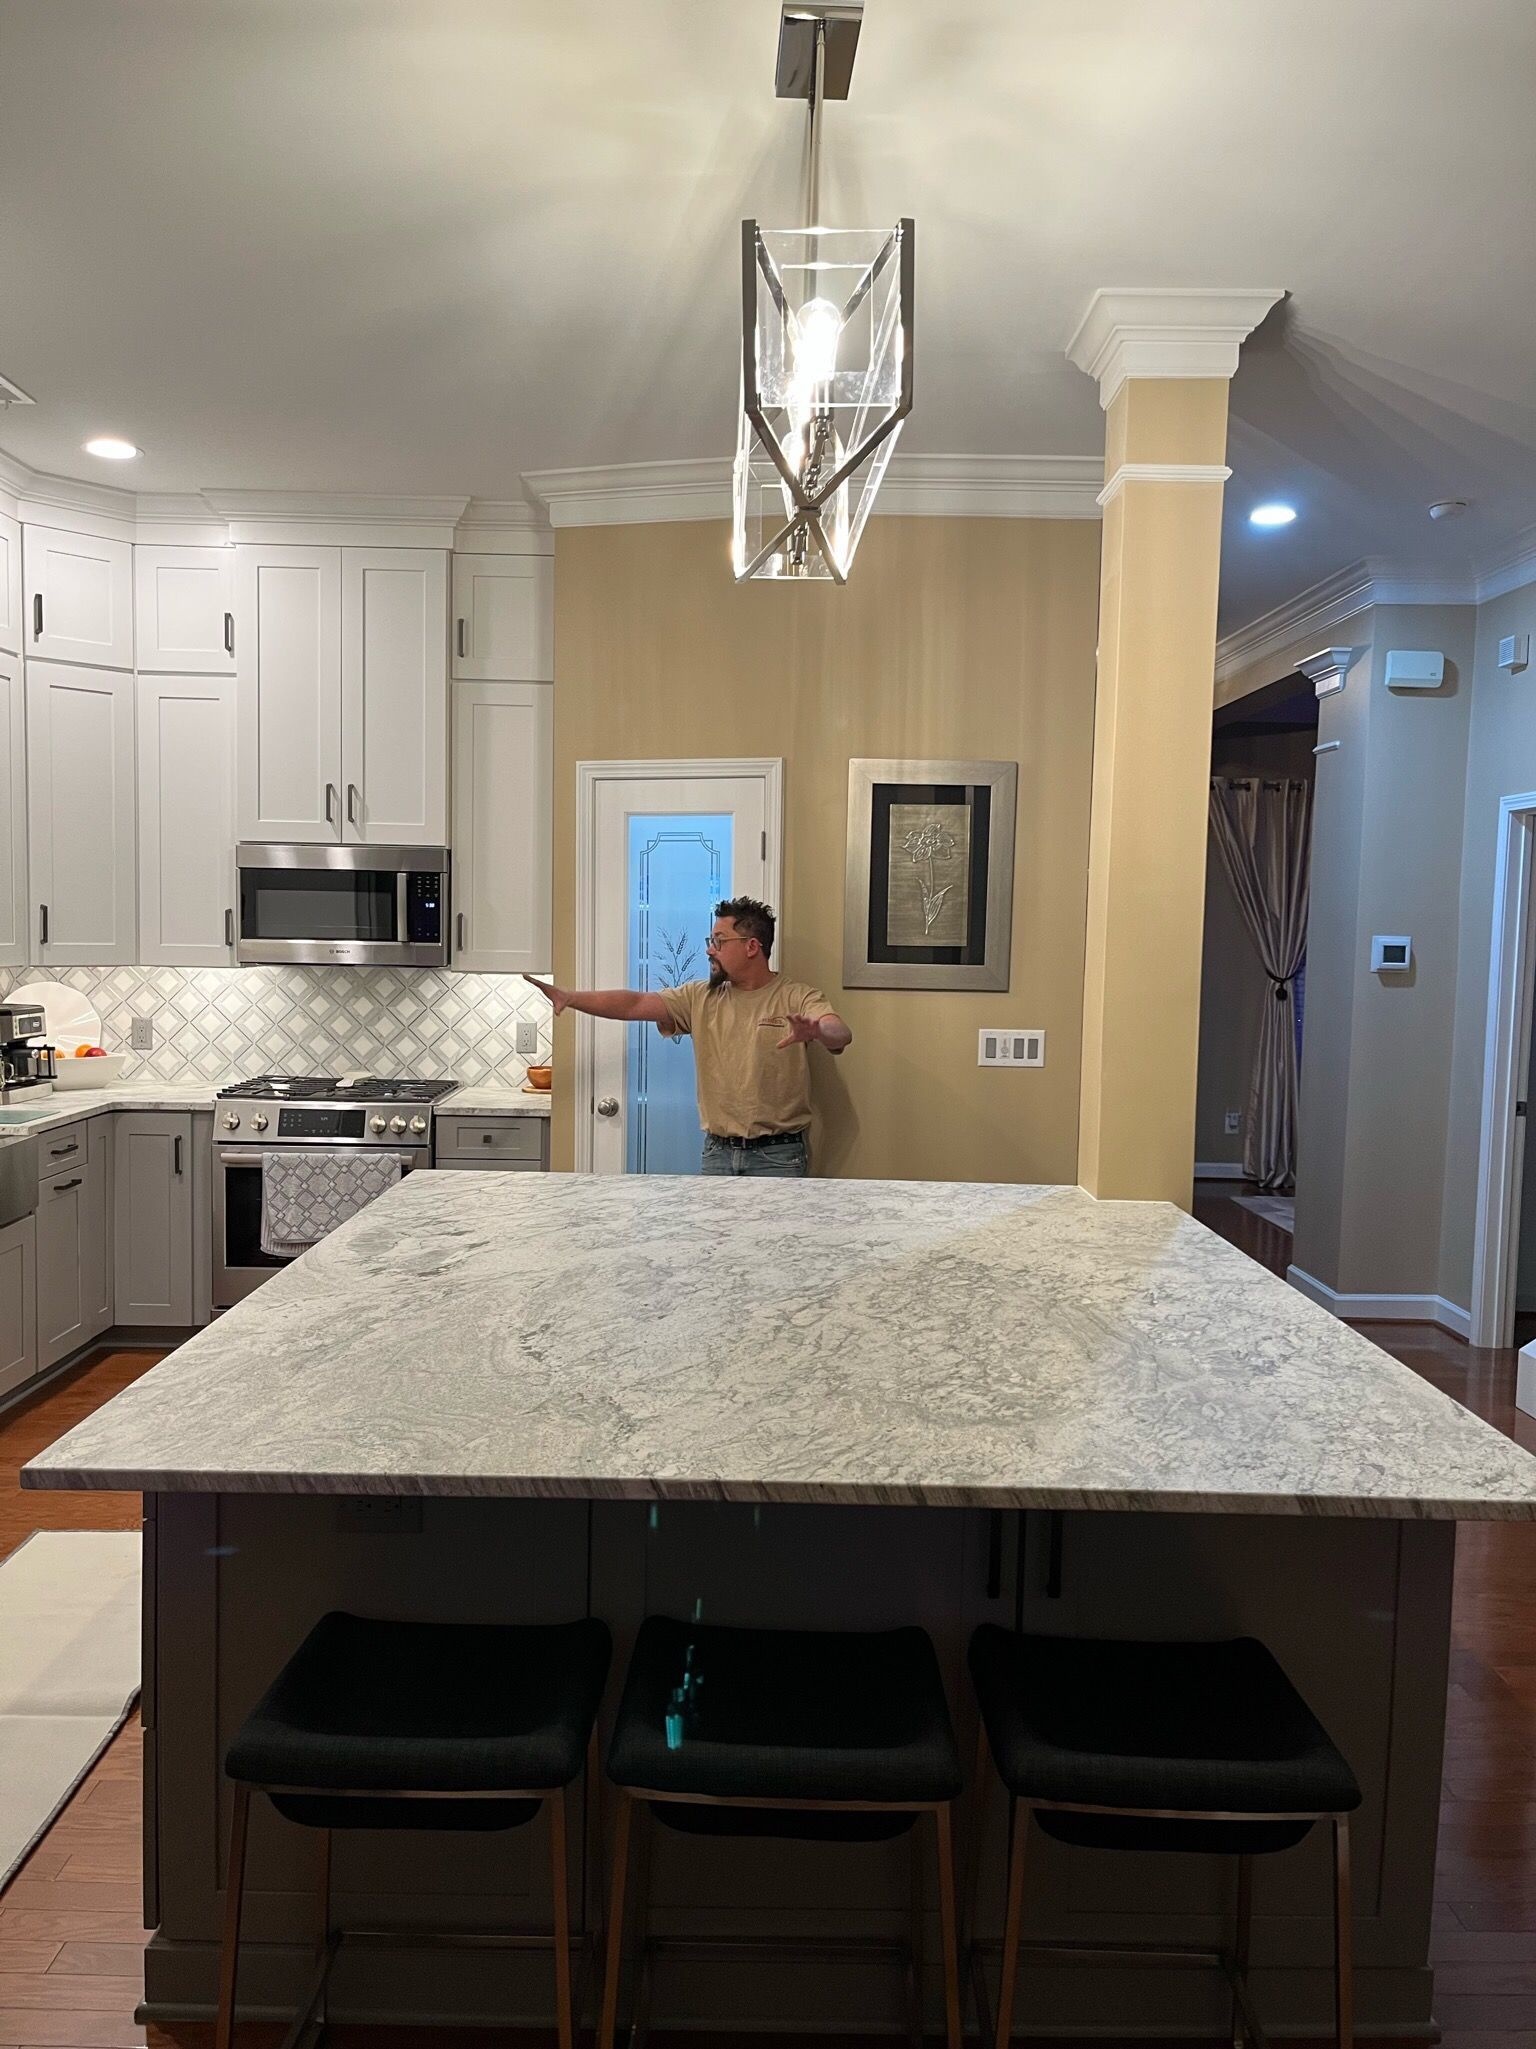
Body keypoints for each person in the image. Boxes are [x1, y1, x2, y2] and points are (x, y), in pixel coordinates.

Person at [524, 896, 851, 1177]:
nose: (710, 950)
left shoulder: (797, 996)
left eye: (719, 941)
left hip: (779, 1157)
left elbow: (840, 1034)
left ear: (752, 946)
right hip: (717, 1154)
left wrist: (819, 1030)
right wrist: (571, 998)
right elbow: (634, 1003)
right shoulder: (700, 997)